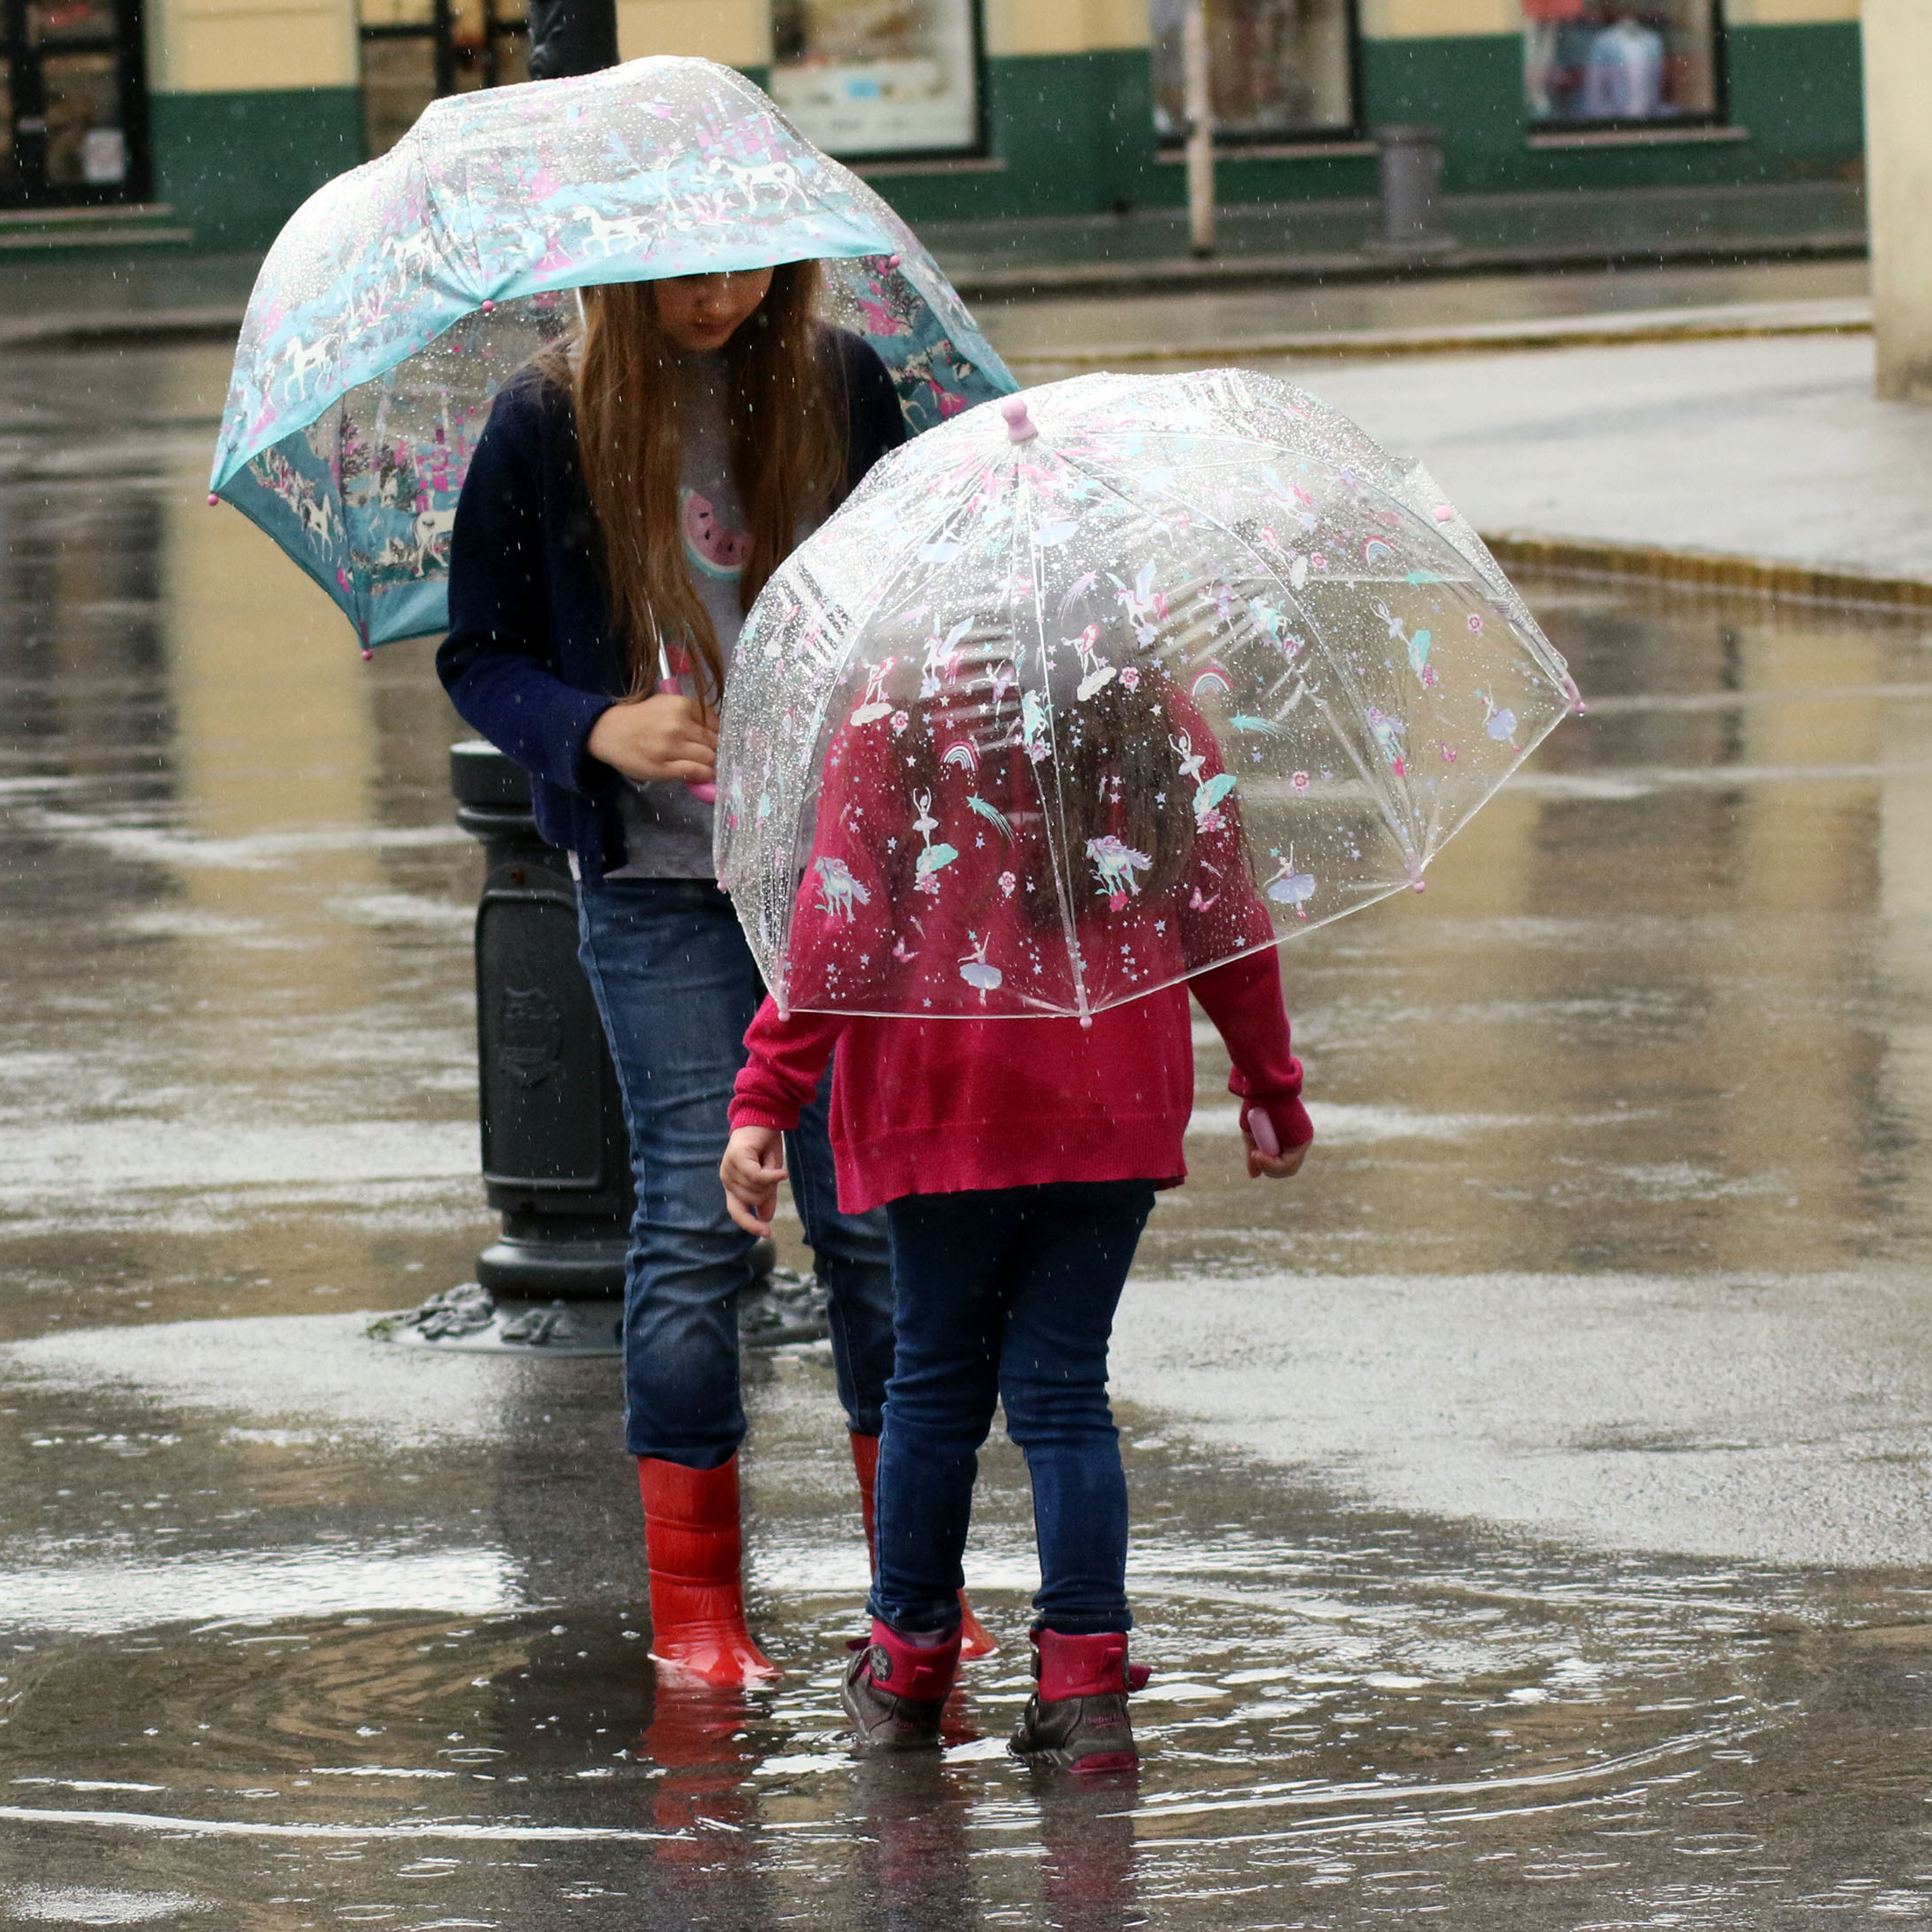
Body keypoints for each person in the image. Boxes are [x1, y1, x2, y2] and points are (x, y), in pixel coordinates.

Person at [441, 263, 983, 1689]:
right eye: (685, 273)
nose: (716, 296)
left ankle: (916, 1583)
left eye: (746, 268)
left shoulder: (839, 384)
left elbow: (920, 601)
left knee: (873, 1226)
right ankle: (696, 1609)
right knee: (694, 1229)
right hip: (657, 888)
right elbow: (480, 652)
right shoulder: (545, 419)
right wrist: (595, 729)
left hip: (841, 875)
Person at [718, 647, 1314, 1770]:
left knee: (933, 1385)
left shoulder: (892, 712)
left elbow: (841, 924)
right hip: (1109, 1103)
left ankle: (907, 1666)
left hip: (943, 1096)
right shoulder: (1153, 712)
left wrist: (767, 1091)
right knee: (1065, 1392)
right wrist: (1269, 1086)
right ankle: (1085, 1681)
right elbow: (1223, 919)